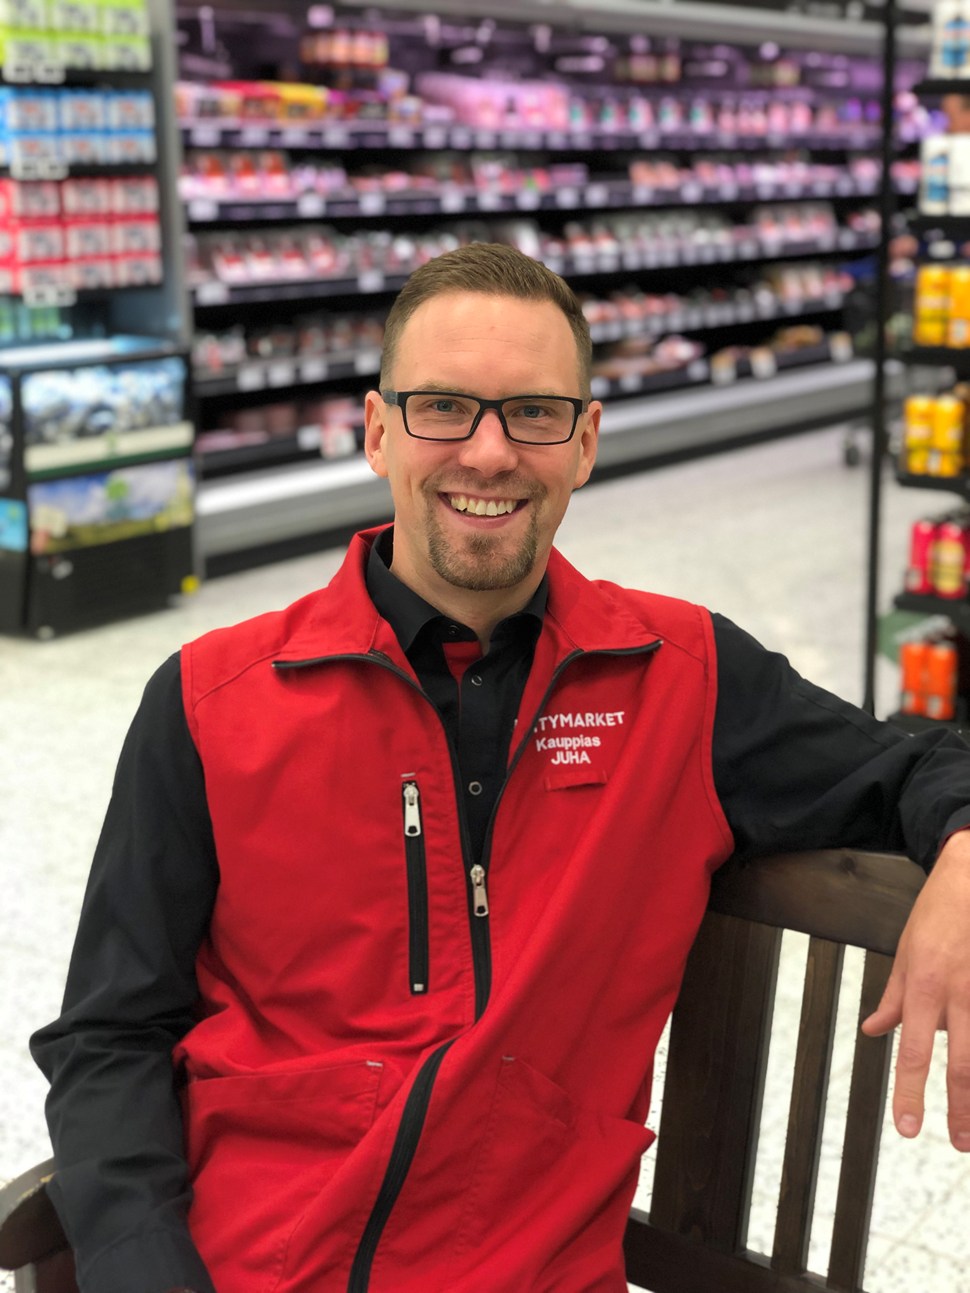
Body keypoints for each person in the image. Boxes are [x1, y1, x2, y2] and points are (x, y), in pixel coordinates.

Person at [31, 243, 970, 1293]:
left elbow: (915, 765)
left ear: (585, 442)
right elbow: (110, 1033)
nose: (488, 454)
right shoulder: (211, 701)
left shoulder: (684, 678)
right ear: (378, 432)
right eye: (443, 408)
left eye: (533, 413)